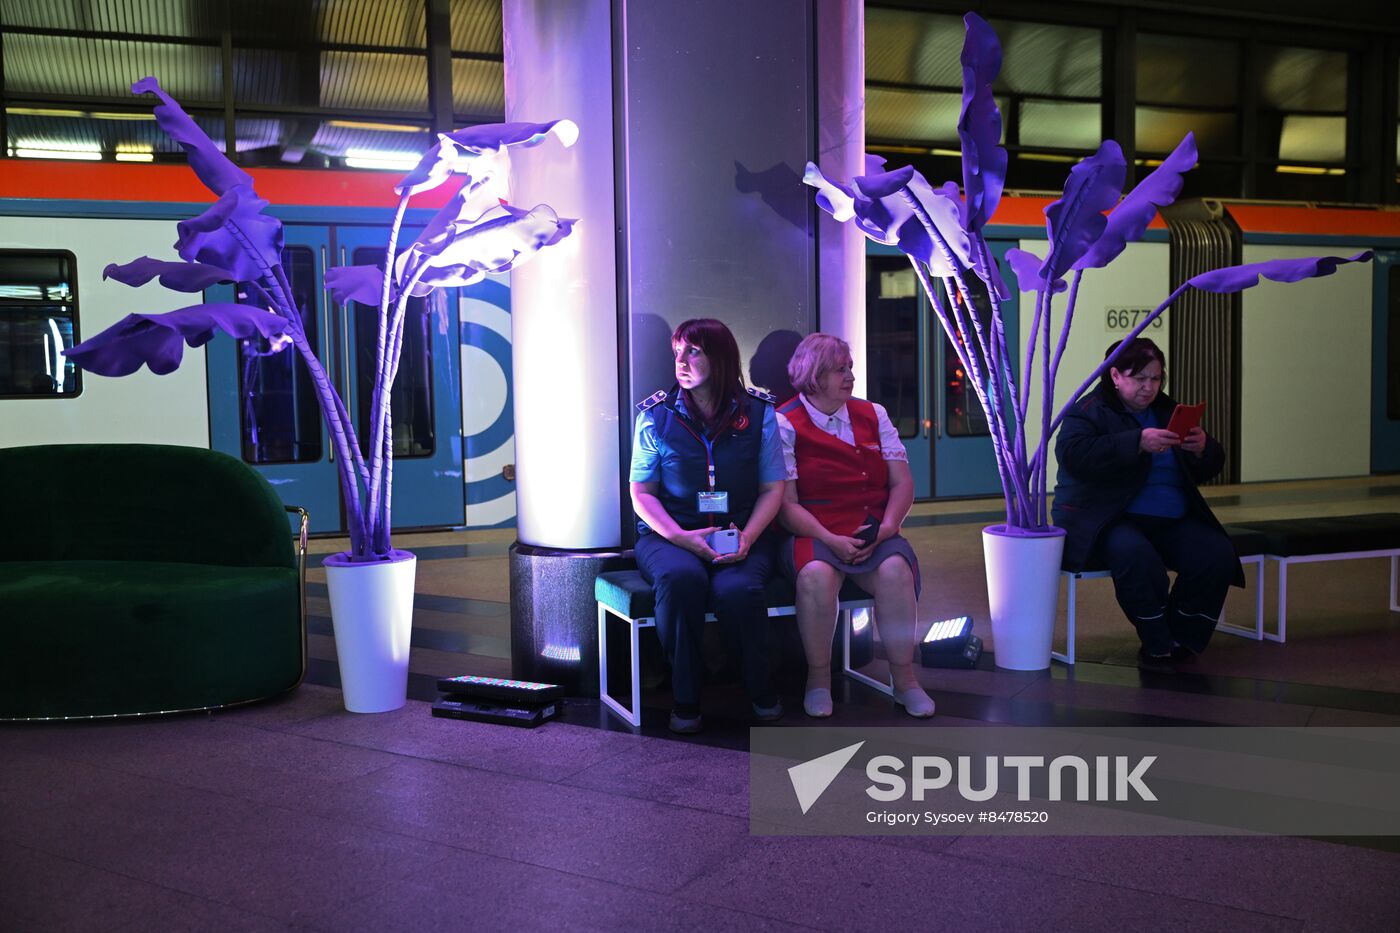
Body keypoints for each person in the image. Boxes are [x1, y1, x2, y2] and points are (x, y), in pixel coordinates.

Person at [629, 318, 787, 733]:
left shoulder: (758, 414)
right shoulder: (656, 415)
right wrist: (681, 537)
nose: (680, 360)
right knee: (681, 582)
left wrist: (749, 537)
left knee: (738, 590)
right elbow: (641, 493)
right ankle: (685, 696)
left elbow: (773, 488)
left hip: (740, 533)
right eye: (677, 350)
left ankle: (759, 690)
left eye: (693, 351)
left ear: (720, 358)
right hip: (671, 535)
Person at [1053, 337, 1244, 669]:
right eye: (1139, 378)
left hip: (1170, 516)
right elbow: (1074, 456)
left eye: (1155, 379)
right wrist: (1137, 442)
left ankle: (1183, 636)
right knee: (1136, 557)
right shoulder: (1086, 412)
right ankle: (1157, 639)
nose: (1149, 387)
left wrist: (1202, 448)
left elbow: (1209, 466)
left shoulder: (1168, 410)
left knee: (1216, 554)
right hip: (1110, 518)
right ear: (1115, 376)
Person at [776, 333, 936, 718]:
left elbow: (902, 483)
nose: (850, 376)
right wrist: (828, 539)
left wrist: (888, 527)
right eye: (839, 369)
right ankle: (819, 680)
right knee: (815, 576)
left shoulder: (873, 414)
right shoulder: (784, 422)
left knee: (896, 570)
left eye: (850, 367)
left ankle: (905, 680)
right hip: (815, 531)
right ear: (814, 377)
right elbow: (786, 506)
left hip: (874, 530)